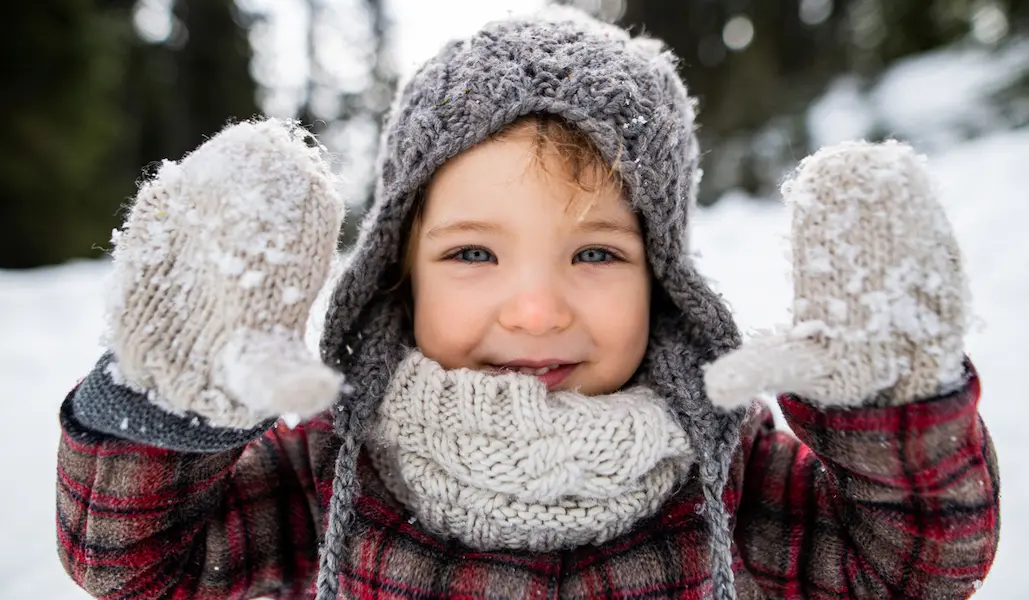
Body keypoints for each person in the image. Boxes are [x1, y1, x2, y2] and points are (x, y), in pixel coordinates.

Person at [56, 7, 999, 600]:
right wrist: (169, 392)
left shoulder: (725, 464)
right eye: (472, 252)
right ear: (397, 275)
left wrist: (889, 402)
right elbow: (133, 564)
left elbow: (913, 567)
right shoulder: (329, 464)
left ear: (664, 278)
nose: (538, 309)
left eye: (595, 251)